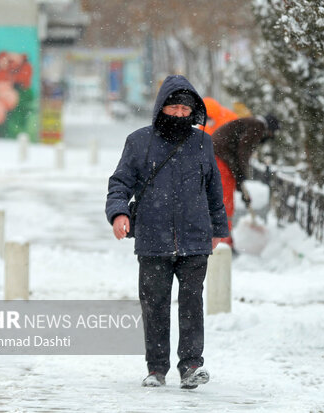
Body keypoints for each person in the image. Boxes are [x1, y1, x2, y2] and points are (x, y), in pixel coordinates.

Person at [105, 75, 229, 389]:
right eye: (173, 107)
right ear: (161, 107)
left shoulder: (203, 142)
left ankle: (190, 366)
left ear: (193, 111)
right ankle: (156, 369)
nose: (178, 114)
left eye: (184, 109)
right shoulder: (138, 141)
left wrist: (218, 229)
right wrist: (119, 213)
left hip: (194, 240)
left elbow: (214, 191)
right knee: (155, 304)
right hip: (152, 240)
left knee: (191, 303)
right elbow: (119, 184)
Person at [211, 115, 280, 248]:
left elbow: (239, 152)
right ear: (269, 130)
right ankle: (222, 242)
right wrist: (241, 176)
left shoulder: (251, 124)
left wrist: (239, 179)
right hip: (220, 159)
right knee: (224, 201)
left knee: (223, 200)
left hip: (220, 157)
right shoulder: (258, 127)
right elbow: (243, 153)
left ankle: (223, 239)